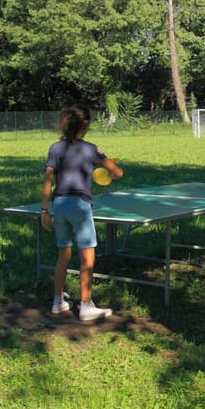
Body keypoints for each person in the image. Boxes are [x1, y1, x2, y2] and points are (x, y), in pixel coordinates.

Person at [40, 105, 123, 321]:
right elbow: (118, 173)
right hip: (80, 206)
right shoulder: (92, 149)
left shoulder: (55, 148)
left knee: (63, 254)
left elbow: (48, 179)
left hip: (58, 205)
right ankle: (86, 306)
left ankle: (58, 302)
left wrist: (43, 210)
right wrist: (110, 171)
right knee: (87, 256)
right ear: (85, 125)